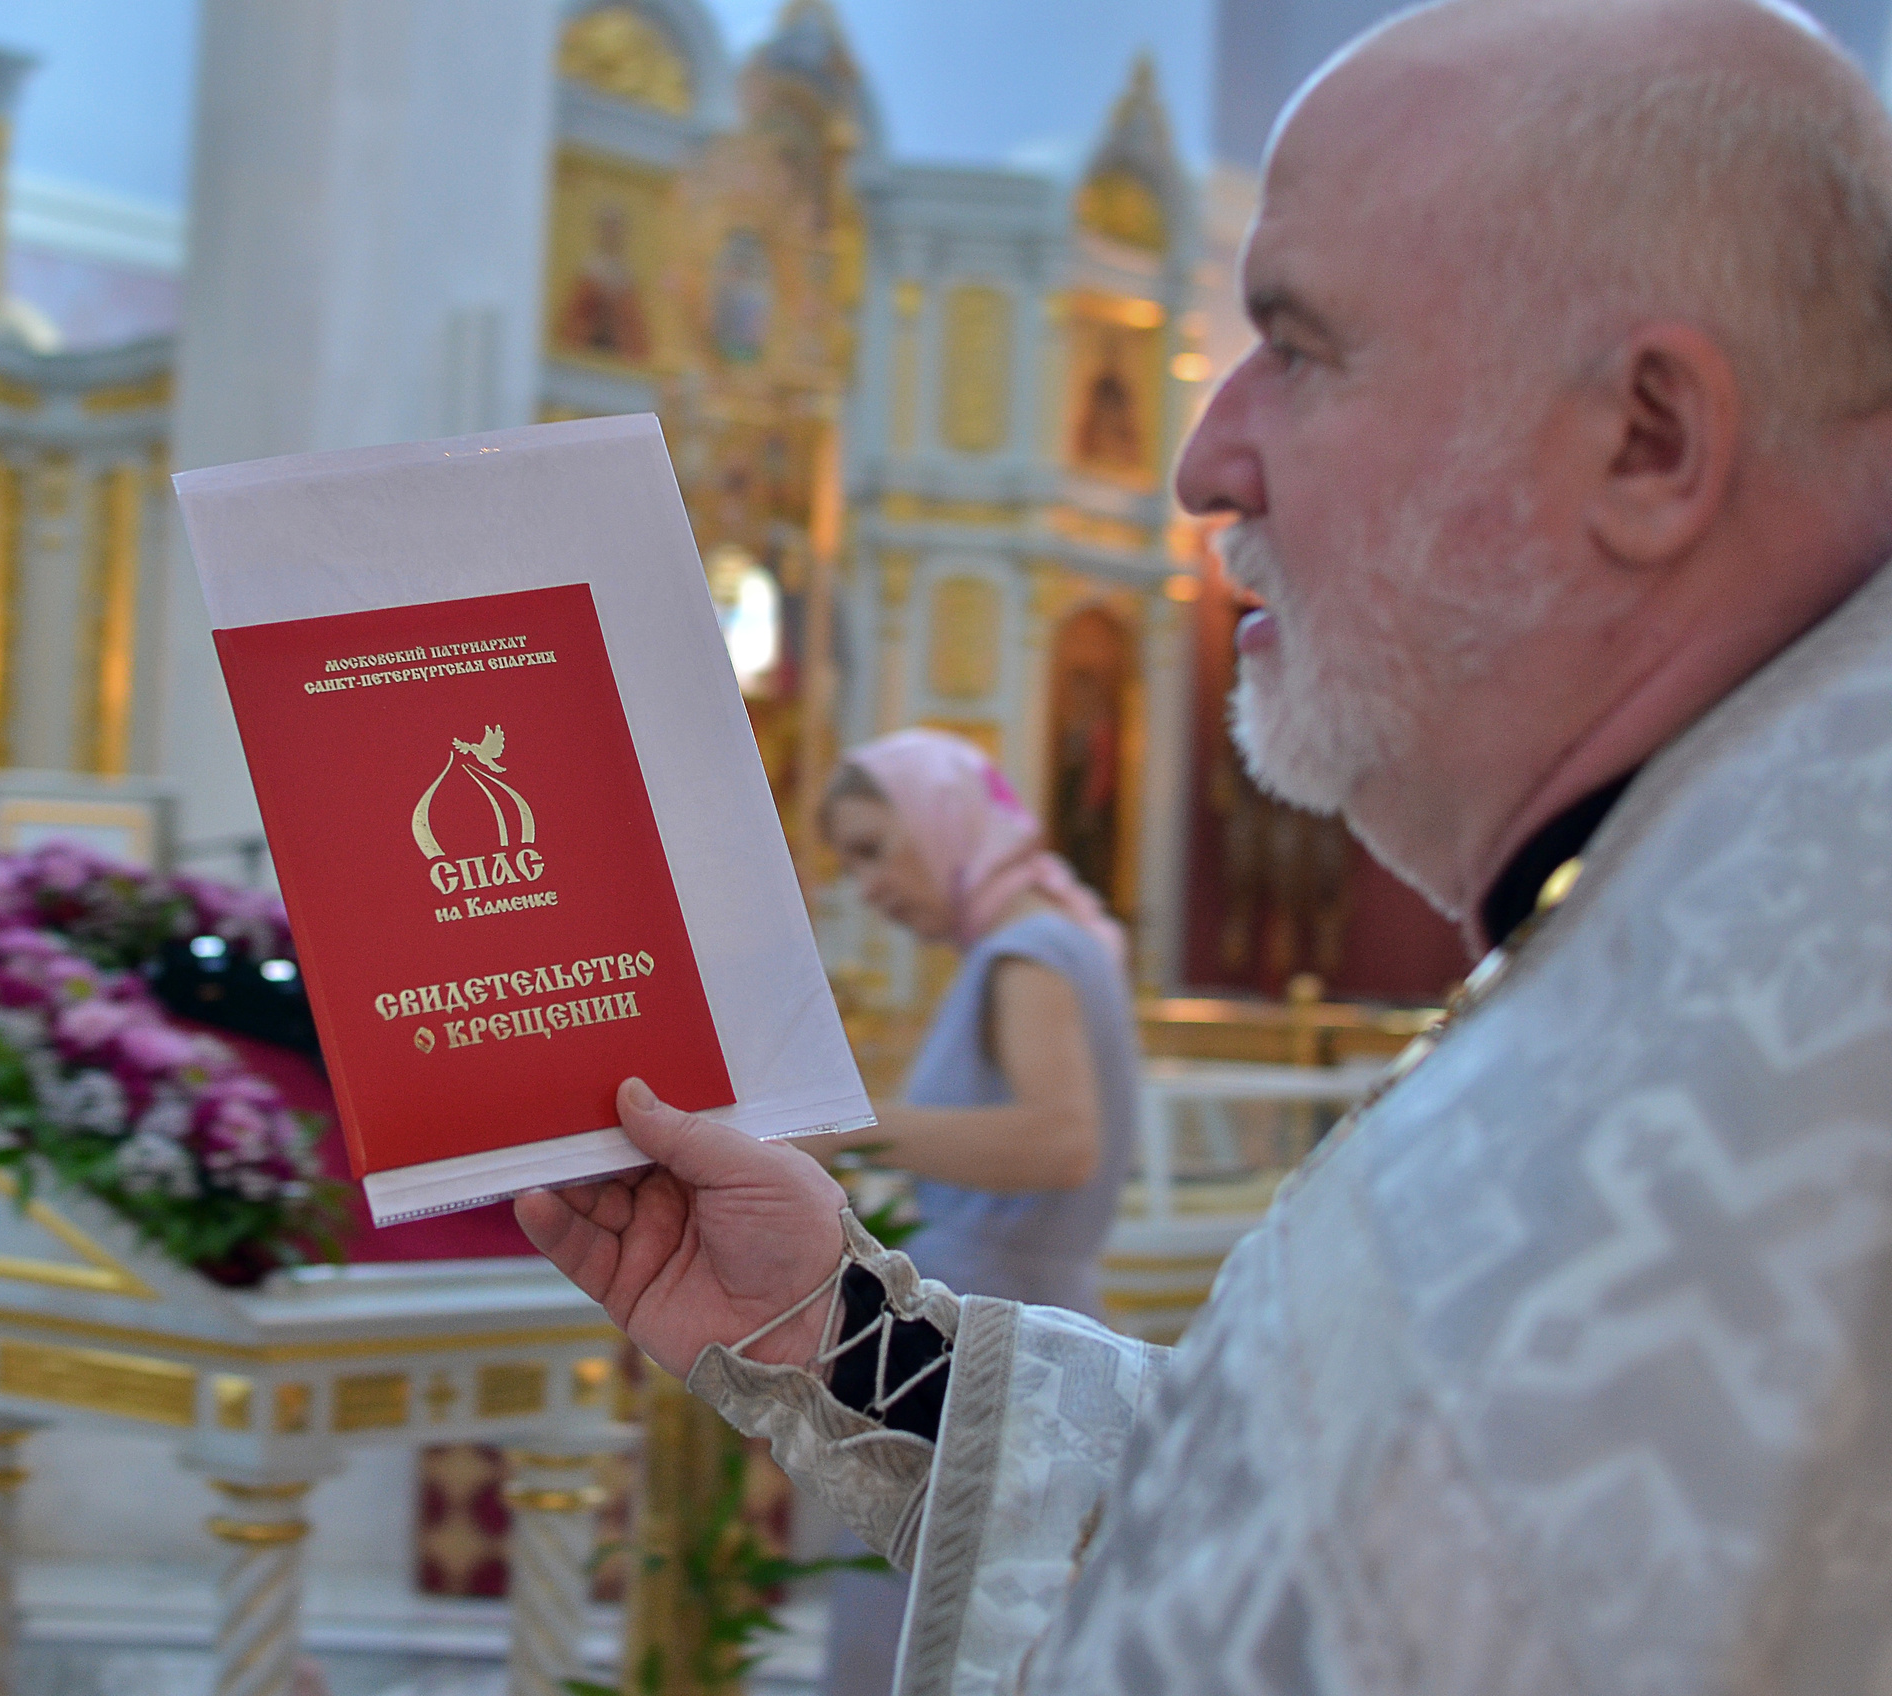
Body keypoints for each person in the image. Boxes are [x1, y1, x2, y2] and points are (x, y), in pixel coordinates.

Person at [515, 1, 1892, 1690]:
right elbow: (1304, 1520)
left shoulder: (1826, 1020)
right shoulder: (1699, 901)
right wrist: (832, 1336)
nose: (1201, 458)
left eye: (1297, 348)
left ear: (1648, 441)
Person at [805, 729, 1140, 1696]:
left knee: (937, 1623)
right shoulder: (1043, 939)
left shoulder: (1025, 952)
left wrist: (853, 1133)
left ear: (941, 821)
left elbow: (1058, 1142)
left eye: (873, 848)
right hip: (1000, 1320)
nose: (866, 885)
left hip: (987, 1339)